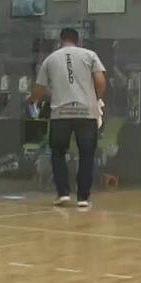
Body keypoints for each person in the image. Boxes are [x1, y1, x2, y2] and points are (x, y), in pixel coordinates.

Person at [29, 28, 107, 209]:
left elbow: (39, 89)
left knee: (58, 153)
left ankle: (63, 193)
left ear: (60, 40)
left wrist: (32, 100)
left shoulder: (50, 59)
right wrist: (97, 98)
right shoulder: (90, 55)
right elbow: (101, 81)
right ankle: (83, 198)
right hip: (86, 113)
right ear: (77, 40)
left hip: (60, 114)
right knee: (87, 154)